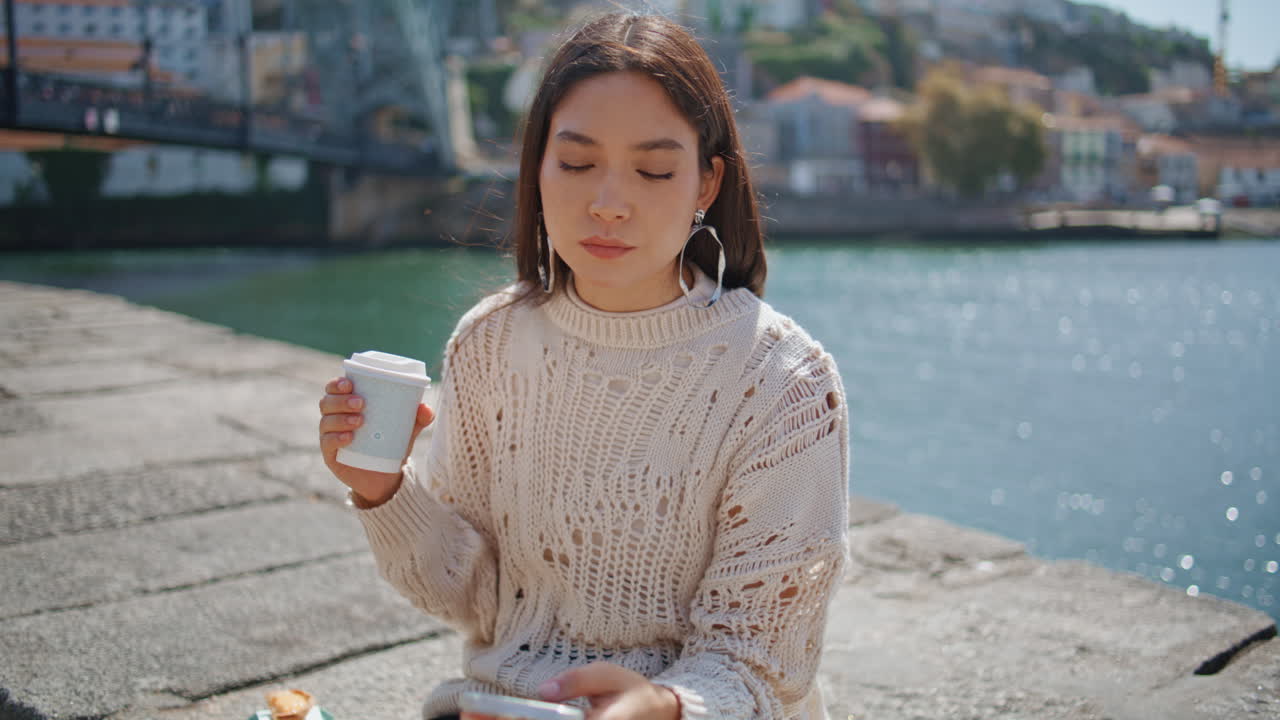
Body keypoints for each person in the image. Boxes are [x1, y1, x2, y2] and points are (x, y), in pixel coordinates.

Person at [317, 12, 849, 720]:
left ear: (706, 184)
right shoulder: (489, 344)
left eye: (655, 170)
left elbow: (758, 662)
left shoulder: (784, 381)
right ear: (536, 168)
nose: (607, 204)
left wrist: (662, 705)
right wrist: (384, 491)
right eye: (575, 163)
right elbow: (474, 598)